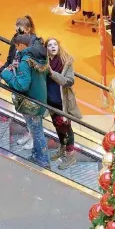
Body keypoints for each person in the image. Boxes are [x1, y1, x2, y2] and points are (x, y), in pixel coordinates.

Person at [0, 34, 50, 169]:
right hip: (39, 99)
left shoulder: (25, 61)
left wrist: (6, 74)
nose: (16, 49)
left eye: (16, 46)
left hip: (30, 103)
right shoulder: (38, 57)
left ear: (21, 45)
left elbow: (22, 85)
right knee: (37, 130)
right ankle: (37, 155)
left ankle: (43, 160)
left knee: (36, 131)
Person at [0, 15, 43, 150]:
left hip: (30, 86)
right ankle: (30, 134)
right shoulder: (15, 41)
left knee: (34, 115)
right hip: (17, 82)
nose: (17, 34)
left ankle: (36, 140)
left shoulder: (37, 46)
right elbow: (9, 59)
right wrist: (1, 71)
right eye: (16, 31)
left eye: (20, 31)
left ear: (28, 30)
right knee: (24, 111)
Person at [45, 38, 83, 170]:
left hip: (63, 102)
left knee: (67, 129)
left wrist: (52, 74)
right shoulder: (45, 61)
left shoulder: (66, 61)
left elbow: (69, 81)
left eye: (55, 44)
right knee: (57, 126)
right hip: (50, 100)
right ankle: (62, 148)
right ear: (46, 48)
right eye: (50, 45)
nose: (53, 47)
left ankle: (71, 156)